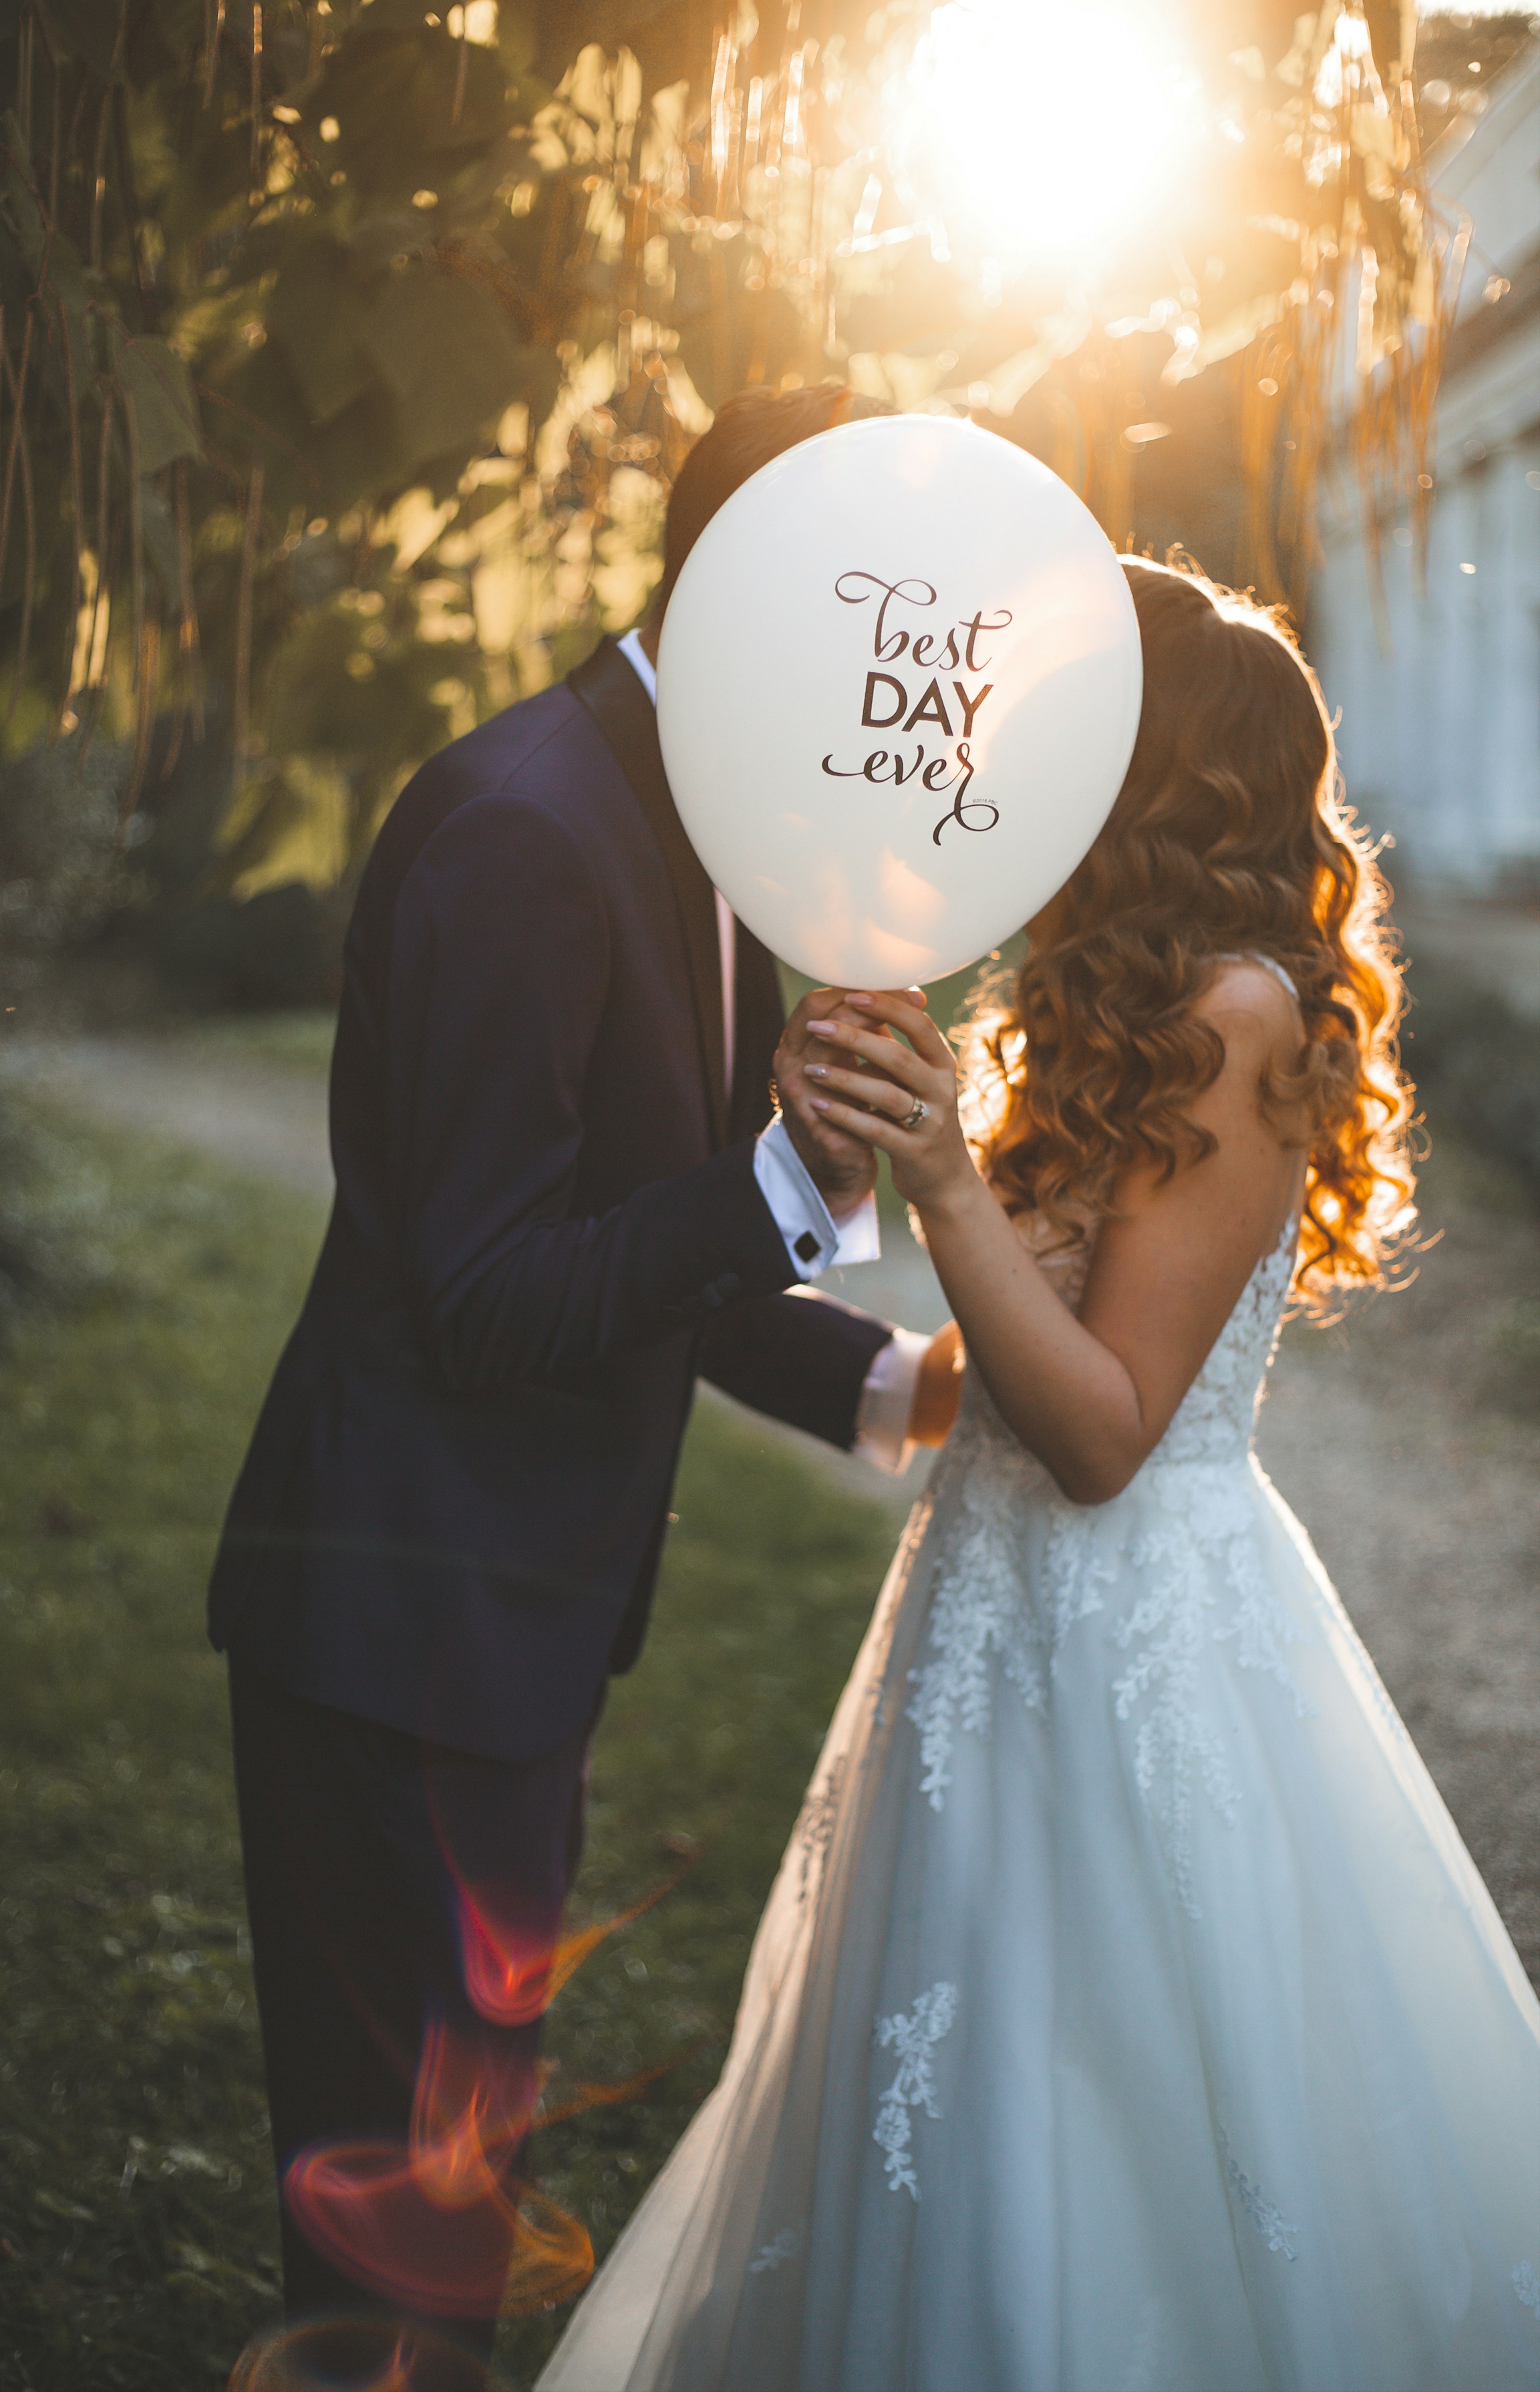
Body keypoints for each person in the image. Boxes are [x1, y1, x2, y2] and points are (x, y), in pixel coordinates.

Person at [537, 559, 1540, 2392]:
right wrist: (819, 1166)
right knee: (951, 2092)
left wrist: (941, 1177)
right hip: (986, 1634)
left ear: (1152, 765)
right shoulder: (1108, 997)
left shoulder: (1242, 1010)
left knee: (1118, 2108)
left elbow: (1099, 1432)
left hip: (1119, 1628)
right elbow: (992, 1369)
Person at [206, 384, 964, 2368]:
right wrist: (783, 1178)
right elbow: (486, 1292)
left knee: (451, 2194)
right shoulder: (530, 830)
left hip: (502, 1639)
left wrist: (904, 1390)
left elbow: (655, 1254)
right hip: (400, 1636)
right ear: (749, 591)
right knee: (397, 2240)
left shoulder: (705, 821)